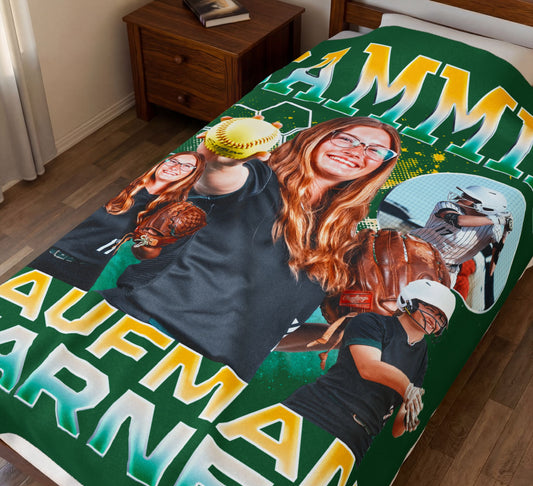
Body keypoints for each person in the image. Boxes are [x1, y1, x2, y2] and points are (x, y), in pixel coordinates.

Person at [100, 116, 401, 382]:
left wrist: (344, 336)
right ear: (316, 138)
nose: (356, 152)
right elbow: (215, 178)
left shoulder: (338, 242)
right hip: (140, 328)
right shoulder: (257, 177)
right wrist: (222, 155)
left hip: (210, 375)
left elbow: (268, 334)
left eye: (375, 150)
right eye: (346, 139)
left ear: (381, 166)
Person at [283, 280, 456, 464]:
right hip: (319, 408)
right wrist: (407, 387)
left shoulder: (421, 355)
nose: (434, 318)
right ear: (411, 302)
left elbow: (396, 430)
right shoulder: (371, 322)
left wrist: (410, 413)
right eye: (431, 309)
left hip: (357, 437)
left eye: (441, 317)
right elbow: (368, 367)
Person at [29, 152, 205, 290]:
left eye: (186, 166)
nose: (175, 167)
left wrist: (149, 240)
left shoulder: (170, 209)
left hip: (85, 271)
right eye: (173, 161)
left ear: (192, 175)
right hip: (49, 254)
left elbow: (145, 254)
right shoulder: (122, 183)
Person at [409, 185, 513, 285]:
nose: (461, 196)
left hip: (445, 271)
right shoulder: (446, 205)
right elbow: (458, 220)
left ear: (483, 207)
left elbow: (493, 269)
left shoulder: (492, 228)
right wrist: (495, 219)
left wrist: (505, 233)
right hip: (413, 252)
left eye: (468, 196)